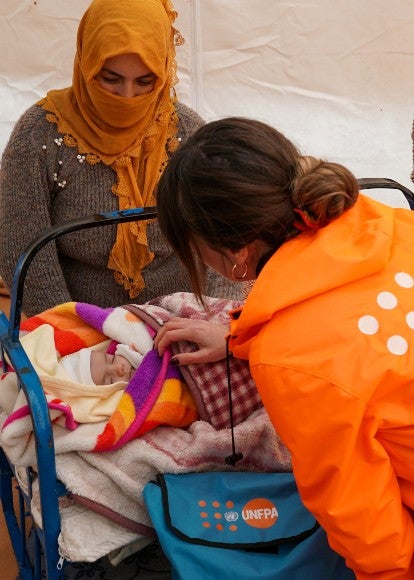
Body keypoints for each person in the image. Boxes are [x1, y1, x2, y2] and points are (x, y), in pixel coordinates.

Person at [153, 117, 414, 578]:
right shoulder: (390, 222)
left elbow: (367, 524)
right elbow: (360, 330)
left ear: (235, 250)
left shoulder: (293, 362)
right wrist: (241, 335)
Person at [0, 0, 240, 317]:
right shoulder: (40, 135)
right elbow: (22, 247)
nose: (127, 96)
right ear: (86, 63)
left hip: (180, 320)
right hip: (82, 324)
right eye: (111, 79)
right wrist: (69, 327)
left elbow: (228, 235)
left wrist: (215, 318)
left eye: (144, 81)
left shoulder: (186, 133)